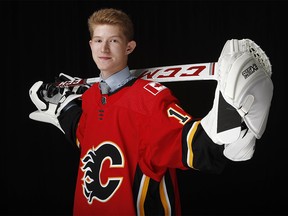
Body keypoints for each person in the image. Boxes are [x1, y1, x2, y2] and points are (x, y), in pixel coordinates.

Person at [28, 8, 273, 216]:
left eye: (113, 40)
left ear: (129, 47)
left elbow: (194, 147)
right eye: (99, 40)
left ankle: (238, 128)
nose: (104, 48)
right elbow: (85, 135)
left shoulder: (149, 98)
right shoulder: (90, 97)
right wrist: (65, 109)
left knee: (221, 141)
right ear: (91, 45)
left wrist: (227, 131)